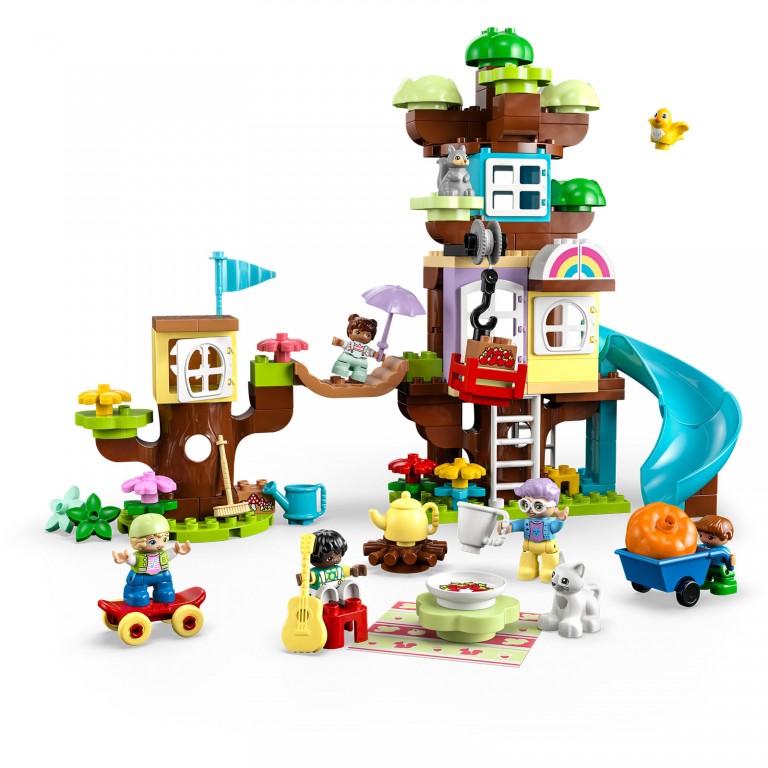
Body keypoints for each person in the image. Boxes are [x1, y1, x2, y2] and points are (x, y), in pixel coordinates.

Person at [498, 477, 569, 582]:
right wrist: (508, 527)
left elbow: (555, 528)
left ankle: (550, 571)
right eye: (525, 504)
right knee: (527, 559)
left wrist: (560, 520)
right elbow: (517, 525)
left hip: (547, 547)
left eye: (538, 506)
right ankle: (529, 569)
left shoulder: (548, 523)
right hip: (529, 546)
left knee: (549, 562)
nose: (531, 510)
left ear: (554, 506)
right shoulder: (526, 521)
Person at [112, 513, 192, 606]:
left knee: (165, 589)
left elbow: (169, 555)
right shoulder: (139, 556)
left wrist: (177, 550)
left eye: (164, 539)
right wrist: (127, 559)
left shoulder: (162, 554)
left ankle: (164, 592)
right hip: (141, 577)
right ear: (138, 541)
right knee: (138, 593)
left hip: (162, 576)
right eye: (153, 542)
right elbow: (133, 560)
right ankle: (136, 595)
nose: (160, 544)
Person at [297, 529, 367, 604]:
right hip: (323, 597)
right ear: (315, 558)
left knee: (348, 585)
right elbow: (308, 578)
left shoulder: (339, 569)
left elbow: (347, 571)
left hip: (340, 594)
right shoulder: (315, 573)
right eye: (330, 558)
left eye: (339, 556)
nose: (336, 559)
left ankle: (347, 602)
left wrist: (354, 571)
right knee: (324, 590)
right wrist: (303, 578)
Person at [331, 314, 382, 383]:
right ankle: (339, 377)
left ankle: (357, 378)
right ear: (350, 331)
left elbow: (371, 353)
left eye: (367, 335)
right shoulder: (349, 344)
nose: (362, 336)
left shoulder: (366, 348)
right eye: (358, 332)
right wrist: (339, 342)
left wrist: (377, 355)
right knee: (341, 366)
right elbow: (344, 343)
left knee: (360, 372)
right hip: (347, 358)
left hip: (361, 362)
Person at [695, 515, 737, 595]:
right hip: (707, 567)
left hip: (720, 568)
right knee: (704, 576)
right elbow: (698, 548)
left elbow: (727, 560)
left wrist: (710, 553)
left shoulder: (723, 550)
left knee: (721, 577)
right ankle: (706, 582)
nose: (704, 539)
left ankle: (723, 583)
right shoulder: (704, 546)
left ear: (727, 535)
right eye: (700, 535)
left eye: (710, 537)